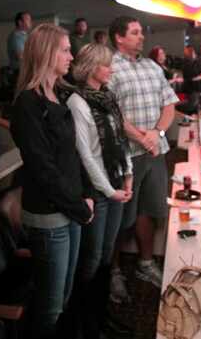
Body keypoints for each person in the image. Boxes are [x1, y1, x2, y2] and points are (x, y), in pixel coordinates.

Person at [10, 23, 94, 339]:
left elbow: (71, 157)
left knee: (64, 295)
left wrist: (85, 196)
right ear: (46, 53)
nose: (71, 56)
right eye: (65, 49)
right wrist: (80, 206)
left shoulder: (57, 94)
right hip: (49, 217)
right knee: (49, 308)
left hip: (69, 210)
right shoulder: (27, 104)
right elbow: (43, 170)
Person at [106, 16, 179, 299]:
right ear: (119, 38)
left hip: (155, 152)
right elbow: (112, 114)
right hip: (127, 157)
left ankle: (145, 263)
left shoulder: (152, 66)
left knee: (149, 210)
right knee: (122, 219)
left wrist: (158, 134)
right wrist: (143, 137)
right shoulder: (109, 69)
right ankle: (113, 271)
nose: (141, 37)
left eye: (141, 32)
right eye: (134, 33)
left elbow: (170, 105)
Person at [66, 43, 133, 338]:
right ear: (93, 68)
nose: (112, 69)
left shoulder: (108, 96)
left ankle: (102, 318)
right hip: (98, 192)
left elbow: (120, 139)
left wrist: (128, 173)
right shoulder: (77, 102)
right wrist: (108, 190)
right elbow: (86, 155)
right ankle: (86, 323)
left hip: (117, 184)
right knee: (92, 260)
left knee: (107, 257)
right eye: (107, 65)